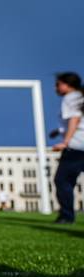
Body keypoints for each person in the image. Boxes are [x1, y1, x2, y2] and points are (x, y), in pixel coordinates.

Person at [52, 72, 84, 224]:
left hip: (77, 146)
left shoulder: (70, 97)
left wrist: (65, 142)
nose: (55, 87)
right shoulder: (79, 96)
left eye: (57, 84)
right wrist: (58, 131)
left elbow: (75, 119)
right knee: (67, 180)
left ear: (66, 84)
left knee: (62, 180)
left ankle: (66, 215)